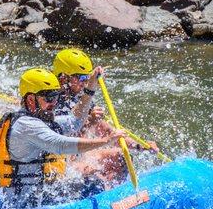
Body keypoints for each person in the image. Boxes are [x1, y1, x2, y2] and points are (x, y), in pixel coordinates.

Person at [0, 68, 127, 209]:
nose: (54, 103)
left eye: (56, 97)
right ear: (31, 99)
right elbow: (62, 145)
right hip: (24, 206)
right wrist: (105, 141)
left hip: (40, 196)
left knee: (91, 182)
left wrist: (90, 88)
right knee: (93, 184)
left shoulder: (40, 120)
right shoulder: (26, 125)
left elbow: (75, 121)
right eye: (49, 98)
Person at [53, 48, 157, 185]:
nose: (86, 82)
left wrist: (140, 146)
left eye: (87, 77)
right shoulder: (51, 103)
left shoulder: (82, 98)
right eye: (81, 78)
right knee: (92, 171)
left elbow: (108, 132)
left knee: (121, 156)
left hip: (81, 157)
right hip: (64, 165)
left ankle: (117, 196)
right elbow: (63, 138)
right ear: (63, 78)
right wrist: (89, 121)